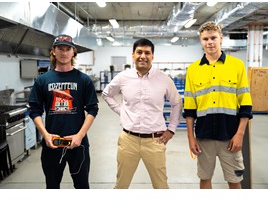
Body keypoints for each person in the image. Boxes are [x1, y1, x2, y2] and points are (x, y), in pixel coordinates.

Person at [102, 38, 182, 189]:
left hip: (155, 141)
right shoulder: (123, 77)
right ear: (133, 55)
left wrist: (171, 129)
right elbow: (107, 94)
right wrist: (122, 111)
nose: (143, 56)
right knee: (121, 186)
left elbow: (177, 102)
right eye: (139, 52)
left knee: (161, 187)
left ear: (153, 56)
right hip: (128, 140)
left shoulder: (164, 79)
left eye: (147, 53)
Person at [183, 21, 253, 189]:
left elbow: (245, 104)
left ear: (221, 38)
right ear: (201, 41)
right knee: (205, 178)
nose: (210, 42)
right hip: (204, 136)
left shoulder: (236, 66)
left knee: (235, 180)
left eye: (213, 37)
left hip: (230, 136)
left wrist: (240, 135)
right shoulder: (193, 70)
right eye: (205, 39)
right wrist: (191, 138)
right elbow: (190, 109)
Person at [28, 34, 99, 189]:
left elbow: (93, 109)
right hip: (52, 144)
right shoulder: (43, 80)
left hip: (78, 145)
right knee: (52, 187)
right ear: (54, 51)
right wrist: (46, 136)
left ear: (73, 52)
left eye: (68, 49)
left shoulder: (83, 80)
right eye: (60, 48)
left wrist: (79, 136)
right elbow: (34, 111)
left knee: (82, 187)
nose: (64, 52)